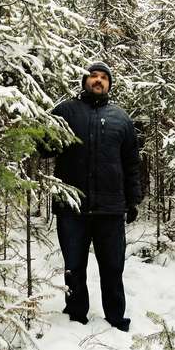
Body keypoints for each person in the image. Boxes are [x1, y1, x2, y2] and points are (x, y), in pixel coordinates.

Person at [48, 61, 141, 332]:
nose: (98, 80)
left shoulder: (121, 118)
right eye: (93, 76)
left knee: (112, 267)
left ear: (109, 84)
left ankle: (115, 317)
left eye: (103, 77)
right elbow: (45, 148)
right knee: (73, 266)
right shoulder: (65, 111)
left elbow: (131, 163)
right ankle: (76, 315)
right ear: (84, 81)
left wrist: (132, 200)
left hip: (110, 209)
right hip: (71, 207)